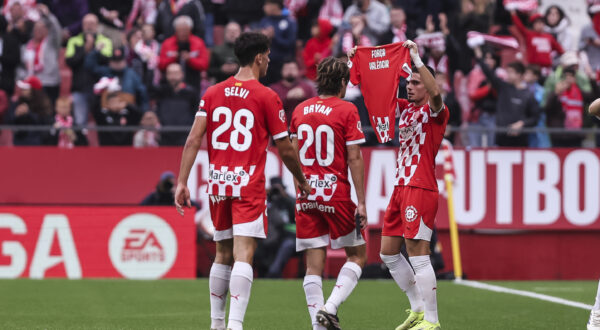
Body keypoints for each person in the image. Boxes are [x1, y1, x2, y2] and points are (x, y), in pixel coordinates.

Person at [174, 32, 311, 330]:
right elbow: (285, 147)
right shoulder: (267, 96)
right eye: (269, 55)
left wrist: (182, 181)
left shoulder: (212, 93)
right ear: (260, 56)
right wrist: (299, 177)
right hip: (248, 184)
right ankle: (235, 325)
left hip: (218, 183)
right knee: (243, 253)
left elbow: (194, 139)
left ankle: (217, 324)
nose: (270, 60)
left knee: (222, 253)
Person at [349, 40, 447, 330]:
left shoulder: (436, 112)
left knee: (418, 254)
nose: (410, 86)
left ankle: (432, 321)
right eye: (409, 82)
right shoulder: (405, 110)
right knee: (388, 253)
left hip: (420, 187)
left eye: (416, 83)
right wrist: (358, 62)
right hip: (400, 187)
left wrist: (417, 60)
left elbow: (438, 93)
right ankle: (417, 308)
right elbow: (381, 89)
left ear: (427, 86)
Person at [289, 56, 367, 330]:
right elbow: (354, 156)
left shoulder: (300, 109)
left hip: (306, 194)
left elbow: (292, 154)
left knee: (313, 265)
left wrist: (300, 184)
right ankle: (330, 307)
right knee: (357, 256)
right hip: (336, 194)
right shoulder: (347, 109)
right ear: (343, 83)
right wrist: (362, 202)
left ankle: (318, 326)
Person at [474, 46, 540, 147]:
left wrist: (522, 124)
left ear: (519, 75)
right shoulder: (503, 88)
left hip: (520, 141)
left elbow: (535, 118)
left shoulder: (528, 95)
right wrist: (478, 53)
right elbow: (489, 73)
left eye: (510, 72)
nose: (507, 75)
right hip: (501, 139)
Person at [65, 13, 113, 126]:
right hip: (79, 87)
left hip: (101, 89)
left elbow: (106, 60)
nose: (89, 26)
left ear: (97, 26)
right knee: (80, 123)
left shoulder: (105, 41)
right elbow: (70, 62)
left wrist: (94, 51)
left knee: (104, 123)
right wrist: (86, 49)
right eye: (86, 23)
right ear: (82, 25)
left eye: (92, 23)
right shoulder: (74, 41)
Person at [85, 46, 149, 112]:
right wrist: (95, 52)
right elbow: (90, 67)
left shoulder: (131, 74)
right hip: (107, 110)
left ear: (124, 61)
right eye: (115, 62)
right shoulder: (104, 71)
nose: (117, 64)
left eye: (120, 62)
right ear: (110, 62)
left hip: (128, 110)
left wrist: (143, 111)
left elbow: (142, 92)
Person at [22, 4, 62, 104]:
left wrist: (48, 15)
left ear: (46, 30)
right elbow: (21, 65)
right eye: (36, 28)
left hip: (50, 83)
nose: (39, 31)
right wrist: (23, 78)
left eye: (42, 28)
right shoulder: (26, 46)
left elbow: (57, 30)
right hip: (31, 84)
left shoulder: (51, 43)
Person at [158, 15, 209, 91]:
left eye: (185, 30)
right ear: (175, 30)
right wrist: (173, 57)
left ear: (190, 29)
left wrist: (190, 59)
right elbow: (161, 65)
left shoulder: (198, 43)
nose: (182, 33)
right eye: (180, 30)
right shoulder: (167, 43)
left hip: (193, 80)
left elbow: (204, 65)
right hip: (170, 83)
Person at [153, 63, 199, 145]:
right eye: (169, 74)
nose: (172, 77)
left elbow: (196, 114)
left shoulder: (191, 93)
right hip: (165, 137)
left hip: (185, 137)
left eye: (175, 73)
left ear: (182, 75)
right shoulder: (162, 92)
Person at [257, 0, 297, 85]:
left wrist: (274, 37)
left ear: (274, 5)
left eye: (266, 5)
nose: (263, 7)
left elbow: (290, 44)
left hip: (282, 64)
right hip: (266, 63)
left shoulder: (290, 21)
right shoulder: (264, 21)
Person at [269, 59, 317, 123]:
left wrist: (304, 97)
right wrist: (287, 97)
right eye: (287, 69)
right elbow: (270, 110)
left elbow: (315, 106)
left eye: (293, 69)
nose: (290, 71)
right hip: (282, 127)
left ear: (298, 70)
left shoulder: (307, 87)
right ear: (281, 71)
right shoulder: (274, 89)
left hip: (302, 126)